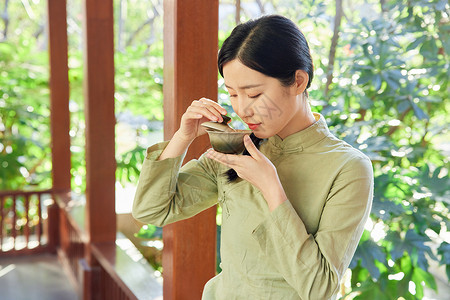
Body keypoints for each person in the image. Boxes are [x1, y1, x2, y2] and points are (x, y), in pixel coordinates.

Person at [132, 15, 373, 300]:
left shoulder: (348, 167)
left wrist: (271, 189)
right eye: (232, 94)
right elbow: (152, 211)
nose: (242, 109)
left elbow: (319, 289)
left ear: (298, 81)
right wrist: (182, 137)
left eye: (254, 94)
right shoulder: (235, 147)